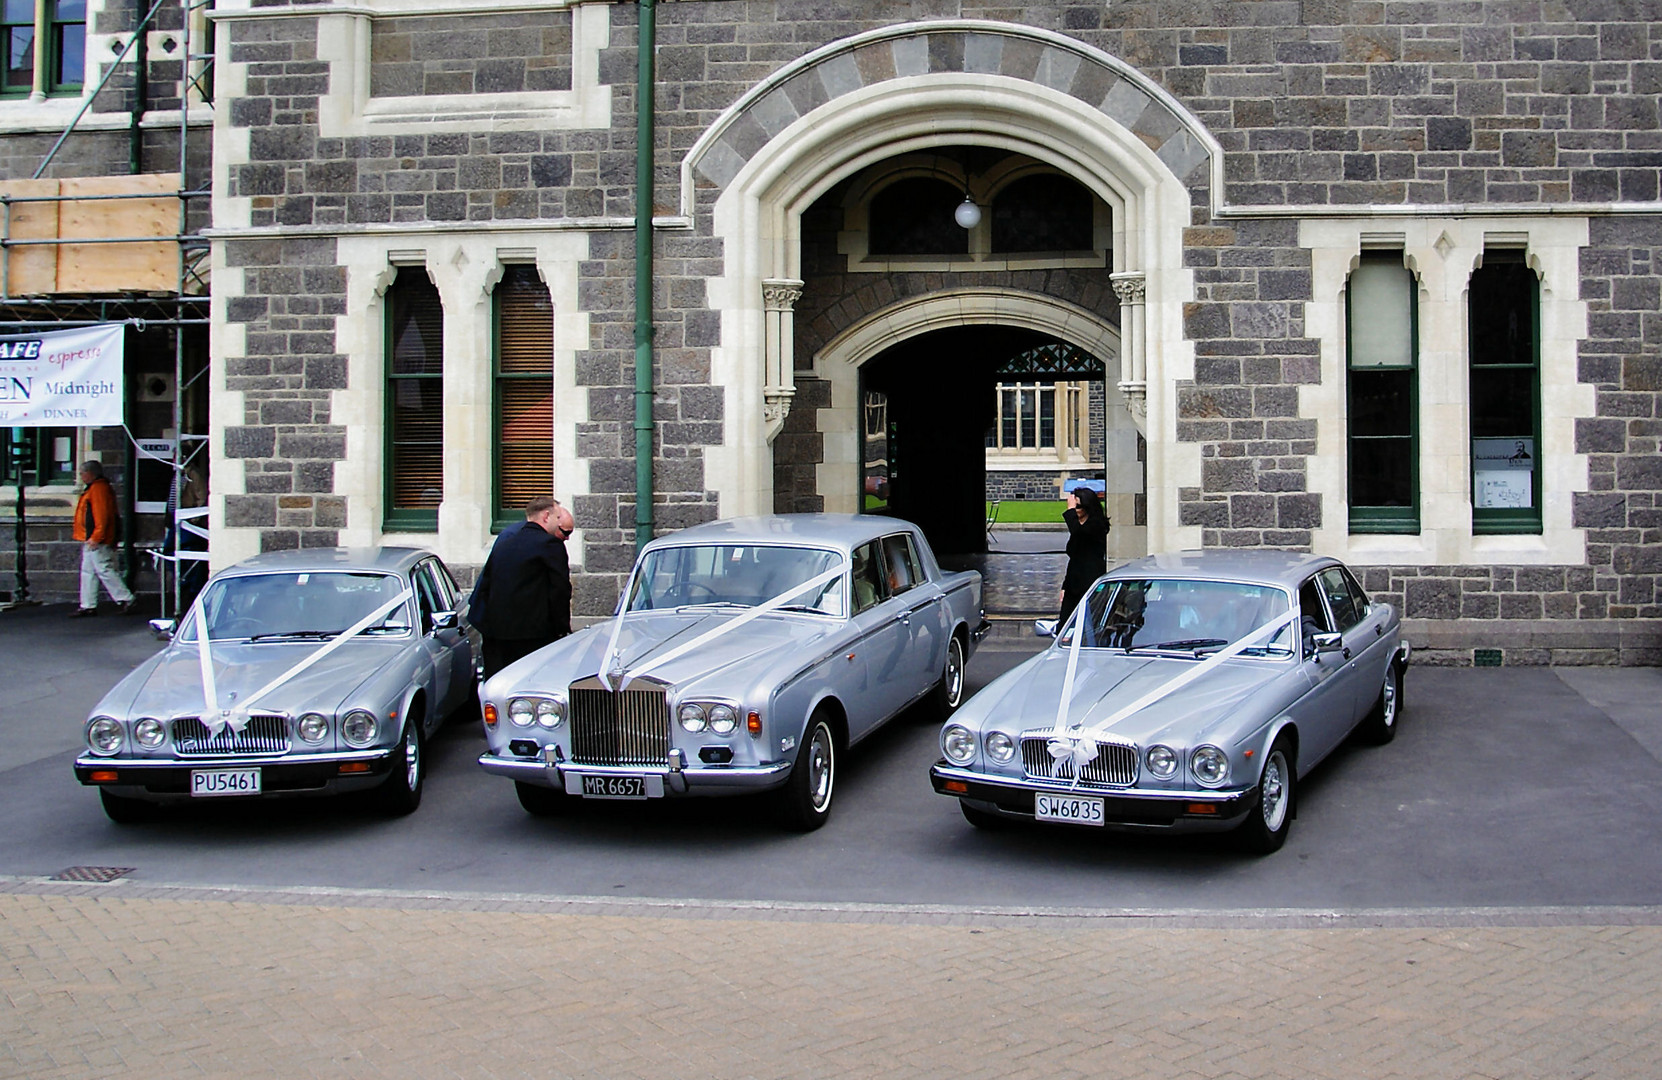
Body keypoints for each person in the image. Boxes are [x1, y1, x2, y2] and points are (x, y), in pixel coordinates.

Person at [467, 495, 574, 679]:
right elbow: (560, 591)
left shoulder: (505, 541)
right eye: (557, 519)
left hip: (497, 634)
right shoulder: (550, 545)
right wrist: (561, 628)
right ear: (546, 516)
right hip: (535, 636)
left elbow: (487, 582)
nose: (558, 525)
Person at [71, 460, 135, 617]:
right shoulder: (97, 488)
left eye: (82, 473)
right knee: (89, 571)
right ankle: (87, 604)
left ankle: (126, 598)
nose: (81, 476)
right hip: (92, 537)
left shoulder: (98, 489)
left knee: (103, 569)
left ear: (90, 474)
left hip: (95, 538)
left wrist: (96, 537)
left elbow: (102, 516)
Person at [1057, 485, 1108, 627]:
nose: (1076, 510)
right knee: (1065, 625)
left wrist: (1070, 512)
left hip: (1089, 582)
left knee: (1089, 624)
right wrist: (1065, 586)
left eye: (1078, 506)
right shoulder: (1079, 527)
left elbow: (1080, 533)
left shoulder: (1096, 525)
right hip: (1074, 582)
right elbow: (1075, 559)